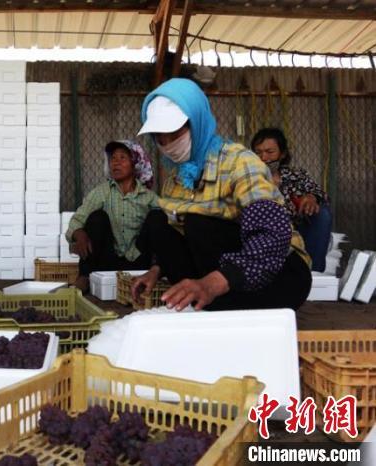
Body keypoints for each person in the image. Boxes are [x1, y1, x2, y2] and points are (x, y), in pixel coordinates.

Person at [131, 78, 312, 311]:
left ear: (196, 122)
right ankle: (211, 304)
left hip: (280, 274)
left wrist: (212, 283)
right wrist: (156, 271)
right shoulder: (177, 179)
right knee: (158, 222)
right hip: (223, 281)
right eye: (160, 137)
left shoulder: (240, 162)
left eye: (174, 133)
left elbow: (272, 235)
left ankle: (216, 299)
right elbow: (178, 240)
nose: (167, 144)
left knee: (198, 223)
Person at [65, 140, 158, 292]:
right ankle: (84, 276)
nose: (116, 163)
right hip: (108, 260)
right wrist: (79, 234)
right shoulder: (102, 192)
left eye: (122, 158)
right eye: (113, 158)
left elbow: (165, 227)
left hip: (139, 261)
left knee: (157, 217)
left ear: (135, 163)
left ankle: (156, 273)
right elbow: (77, 220)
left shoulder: (149, 197)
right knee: (97, 217)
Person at [251, 128, 332, 272]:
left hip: (298, 230)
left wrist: (311, 197)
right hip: (266, 234)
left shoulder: (295, 174)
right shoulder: (248, 178)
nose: (263, 158)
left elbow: (321, 193)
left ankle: (314, 274)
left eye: (270, 152)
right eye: (258, 152)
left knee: (322, 214)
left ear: (282, 154)